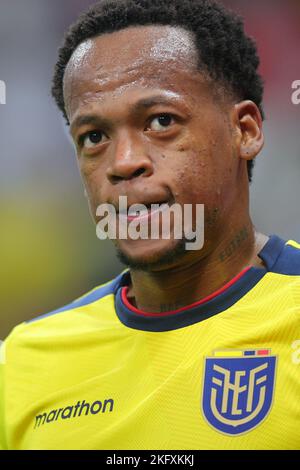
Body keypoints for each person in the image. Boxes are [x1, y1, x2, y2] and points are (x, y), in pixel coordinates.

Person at [0, 0, 299, 450]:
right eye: (94, 137)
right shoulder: (23, 361)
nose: (123, 164)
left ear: (245, 131)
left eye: (161, 122)